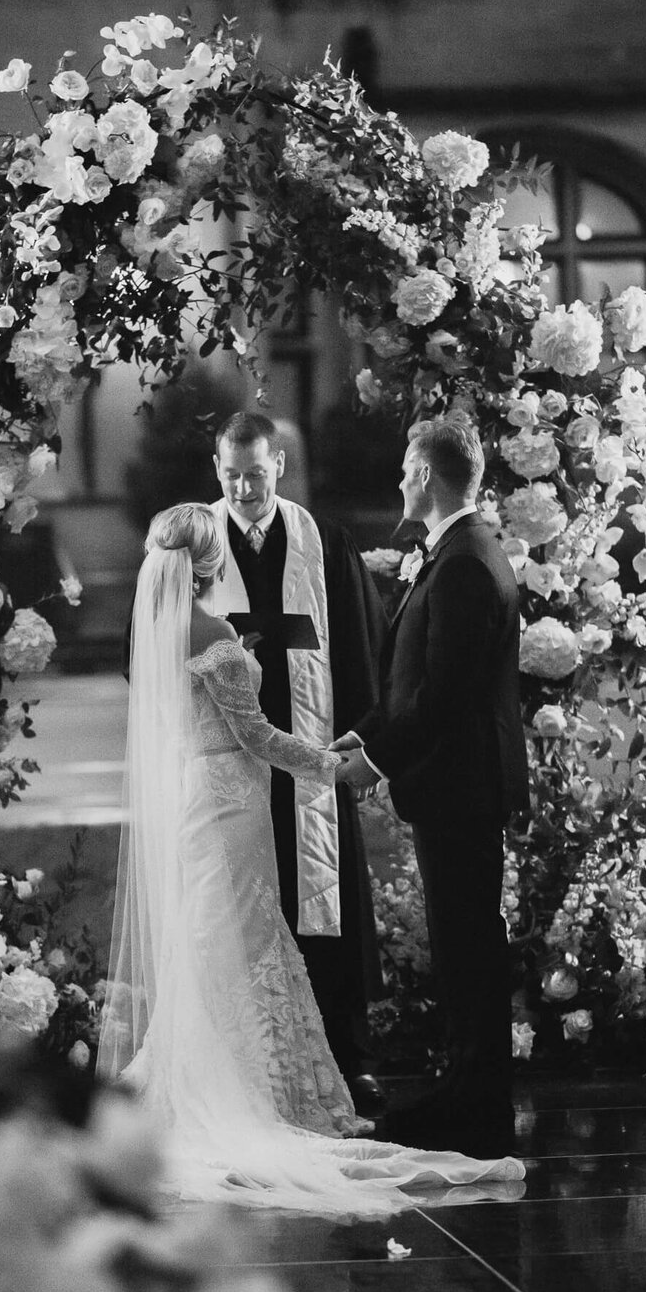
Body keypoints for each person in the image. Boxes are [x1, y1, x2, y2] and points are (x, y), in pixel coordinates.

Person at [99, 502, 525, 1214]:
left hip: (190, 800)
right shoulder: (216, 640)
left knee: (207, 937)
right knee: (250, 935)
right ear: (210, 565)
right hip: (233, 802)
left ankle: (203, 1076)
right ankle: (262, 1090)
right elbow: (259, 735)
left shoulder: (157, 632)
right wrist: (331, 764)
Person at [334, 418, 530, 1158]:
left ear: (426, 473)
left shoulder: (464, 564)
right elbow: (412, 679)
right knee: (461, 940)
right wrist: (365, 734)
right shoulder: (456, 553)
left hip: (462, 785)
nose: (397, 482)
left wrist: (375, 764)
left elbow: (444, 697)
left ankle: (477, 1097)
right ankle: (468, 1083)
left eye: (405, 470)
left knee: (468, 941)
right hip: (456, 783)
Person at [201, 412, 389, 1116]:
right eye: (232, 476)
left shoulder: (321, 543)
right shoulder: (199, 547)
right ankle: (254, 1060)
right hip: (234, 762)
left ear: (278, 465)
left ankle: (347, 1053)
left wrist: (361, 737)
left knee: (326, 902)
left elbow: (364, 647)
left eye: (256, 473)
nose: (246, 489)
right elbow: (157, 646)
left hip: (310, 754)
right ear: (217, 470)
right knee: (245, 904)